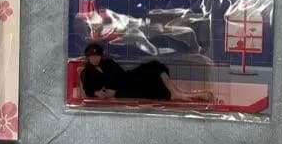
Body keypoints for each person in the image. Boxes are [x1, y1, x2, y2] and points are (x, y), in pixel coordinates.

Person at [79, 43, 212, 102]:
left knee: (154, 65)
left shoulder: (108, 63)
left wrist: (111, 88)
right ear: (88, 58)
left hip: (128, 79)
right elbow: (87, 90)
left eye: (97, 56)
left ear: (100, 56)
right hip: (123, 92)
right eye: (92, 56)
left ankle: (177, 92)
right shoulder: (87, 73)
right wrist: (97, 93)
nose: (95, 58)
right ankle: (184, 95)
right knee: (155, 90)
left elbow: (120, 75)